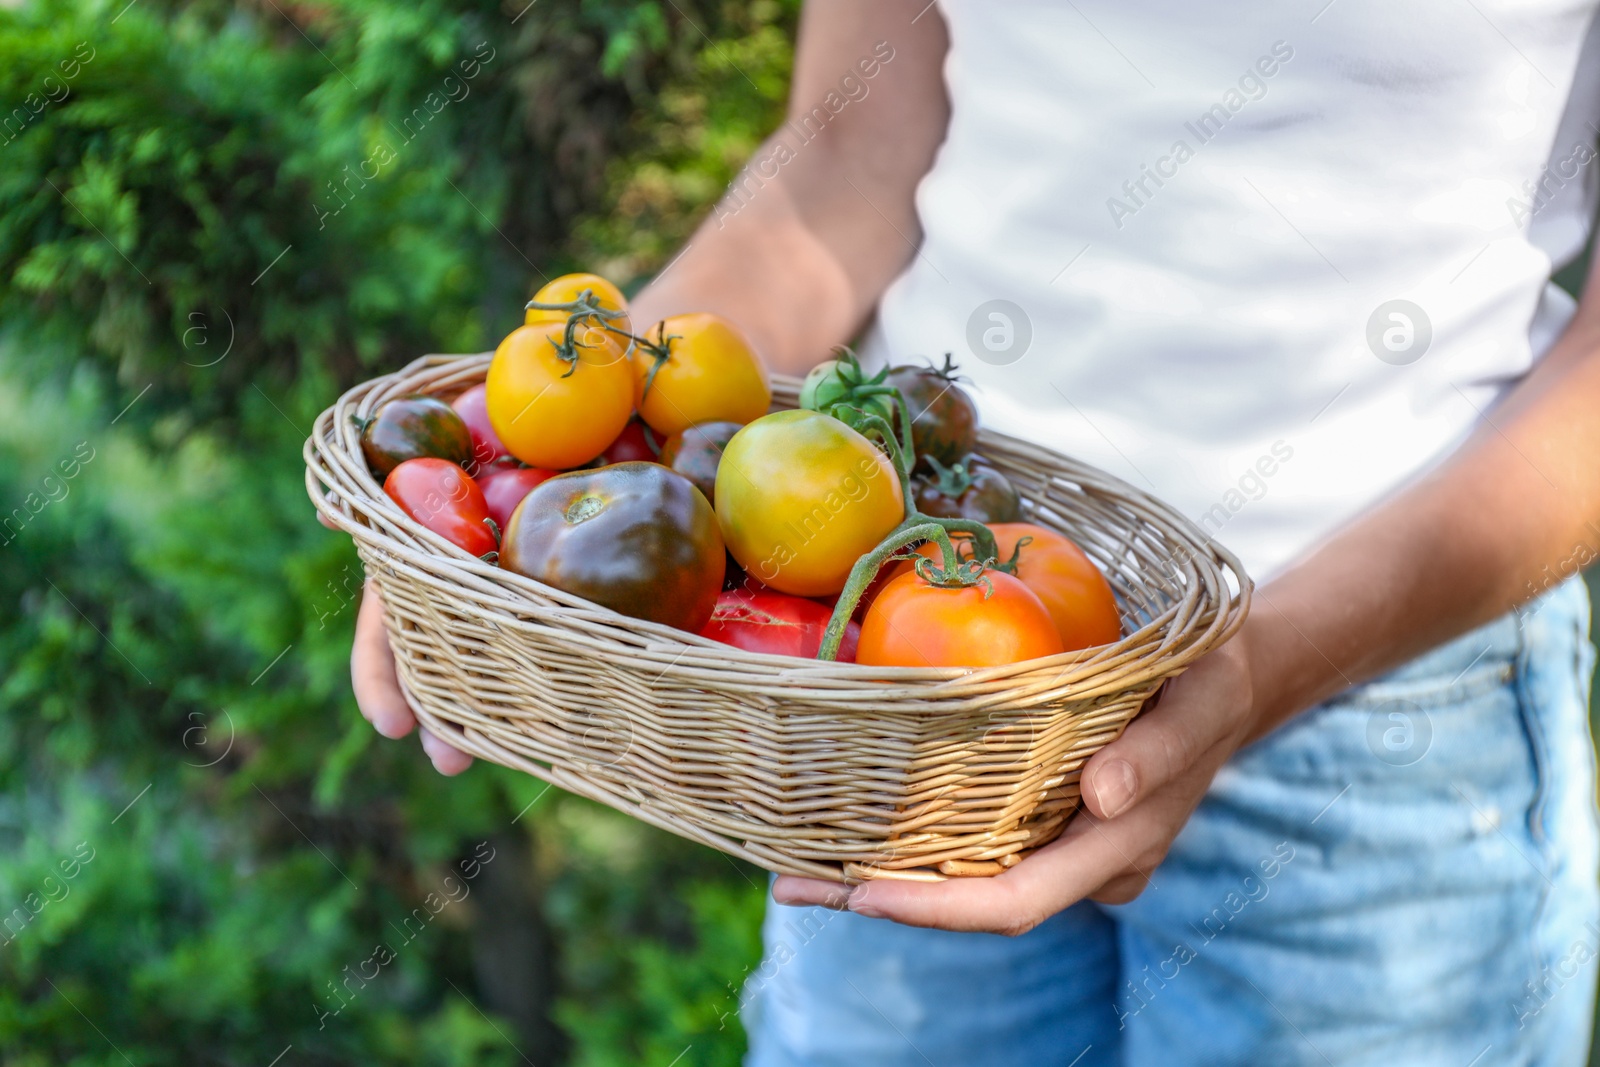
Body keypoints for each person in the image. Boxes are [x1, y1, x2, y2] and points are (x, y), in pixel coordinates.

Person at [339, 1, 1600, 1062]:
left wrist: (1261, 664)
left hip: (1381, 716)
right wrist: (535, 476)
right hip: (908, 682)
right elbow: (846, 155)